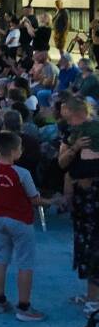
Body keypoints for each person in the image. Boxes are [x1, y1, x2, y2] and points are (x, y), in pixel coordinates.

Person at [0, 131, 45, 321]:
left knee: (0, 258)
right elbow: (34, 198)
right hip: (21, 220)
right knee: (25, 263)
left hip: (0, 218)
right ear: (14, 151)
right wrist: (53, 201)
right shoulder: (22, 173)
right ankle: (24, 307)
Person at [57, 96, 99, 315]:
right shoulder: (69, 133)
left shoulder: (95, 129)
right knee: (85, 244)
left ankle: (94, 299)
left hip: (93, 195)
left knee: (95, 246)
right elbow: (62, 163)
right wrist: (74, 148)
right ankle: (91, 295)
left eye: (64, 110)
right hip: (82, 198)